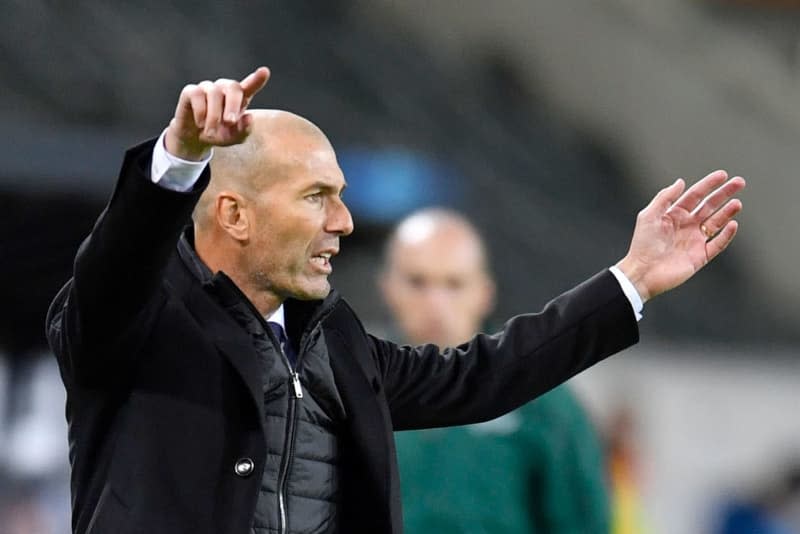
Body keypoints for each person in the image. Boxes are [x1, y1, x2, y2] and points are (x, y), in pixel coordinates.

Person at [45, 66, 745, 534]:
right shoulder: (134, 326)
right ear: (233, 215)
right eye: (318, 197)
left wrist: (633, 279)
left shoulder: (334, 344)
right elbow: (115, 270)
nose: (344, 223)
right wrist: (178, 157)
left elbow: (485, 375)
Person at [380, 208, 611, 533]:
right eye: (417, 282)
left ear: (484, 293)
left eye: (454, 284)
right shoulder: (353, 391)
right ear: (388, 288)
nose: (435, 303)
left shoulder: (539, 395)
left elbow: (583, 521)